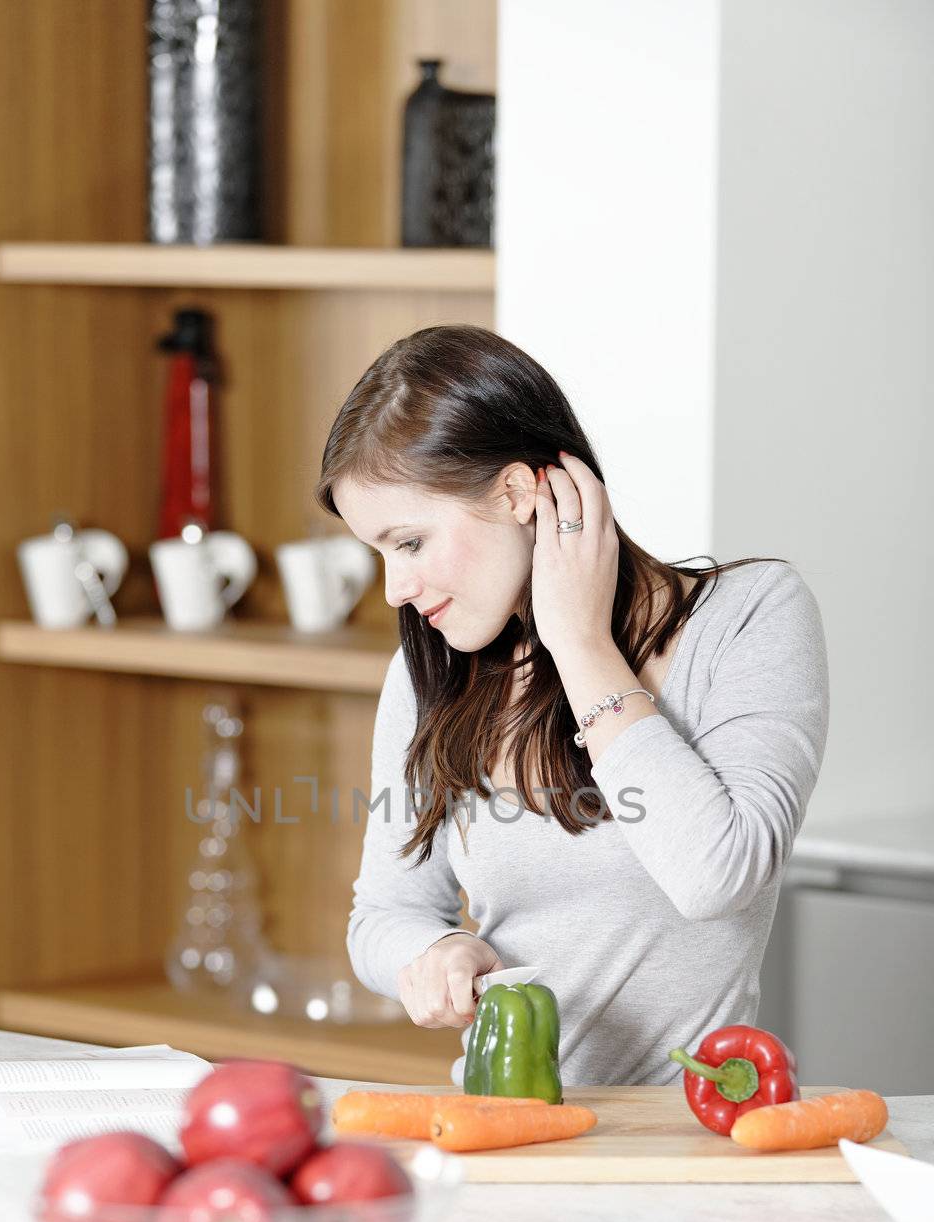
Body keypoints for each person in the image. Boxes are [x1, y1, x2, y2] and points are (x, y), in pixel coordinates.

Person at [315, 325, 829, 1087]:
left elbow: (715, 877)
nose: (393, 590)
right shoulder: (429, 673)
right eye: (379, 553)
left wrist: (580, 642)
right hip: (505, 1128)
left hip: (688, 1133)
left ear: (518, 494)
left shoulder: (749, 617)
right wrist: (427, 955)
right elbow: (384, 915)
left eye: (411, 543)